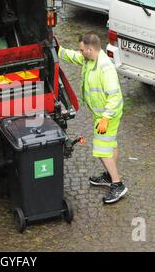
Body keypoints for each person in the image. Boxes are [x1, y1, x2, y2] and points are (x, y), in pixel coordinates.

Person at [57, 33, 128, 204]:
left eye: (82, 50)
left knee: (102, 149)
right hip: (103, 114)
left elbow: (114, 97)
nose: (80, 52)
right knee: (111, 145)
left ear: (90, 49)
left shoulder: (105, 68)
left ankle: (118, 185)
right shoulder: (89, 60)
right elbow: (74, 57)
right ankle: (109, 176)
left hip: (107, 115)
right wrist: (58, 50)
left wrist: (105, 118)